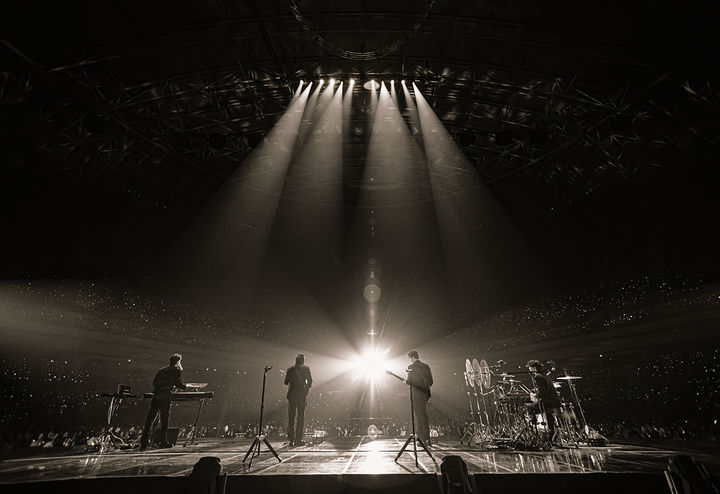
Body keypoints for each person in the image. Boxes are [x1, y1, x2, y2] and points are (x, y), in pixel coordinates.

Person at [140, 353, 187, 450]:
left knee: (150, 420)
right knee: (164, 420)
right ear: (178, 361)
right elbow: (177, 383)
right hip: (165, 397)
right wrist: (185, 386)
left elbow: (154, 383)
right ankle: (163, 442)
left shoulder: (161, 370)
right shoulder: (176, 370)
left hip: (156, 396)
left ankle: (143, 442)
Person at [526, 359, 561, 442]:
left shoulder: (537, 376)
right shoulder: (545, 375)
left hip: (548, 402)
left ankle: (535, 433)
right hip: (555, 400)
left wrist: (535, 395)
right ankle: (551, 432)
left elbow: (543, 392)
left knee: (530, 409)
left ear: (533, 367)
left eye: (529, 368)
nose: (529, 370)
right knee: (548, 416)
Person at [406, 350, 433, 445]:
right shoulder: (426, 366)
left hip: (415, 395)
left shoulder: (411, 367)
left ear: (412, 357)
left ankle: (421, 439)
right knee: (424, 415)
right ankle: (428, 439)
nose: (410, 360)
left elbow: (408, 382)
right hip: (425, 394)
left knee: (418, 416)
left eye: (409, 358)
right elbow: (431, 382)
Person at [284, 353, 312, 446]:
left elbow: (285, 382)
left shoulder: (290, 369)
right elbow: (310, 381)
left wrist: (287, 375)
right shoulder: (306, 369)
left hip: (292, 396)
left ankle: (291, 440)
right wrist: (306, 390)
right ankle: (298, 440)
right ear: (303, 360)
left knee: (291, 418)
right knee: (300, 418)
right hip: (301, 396)